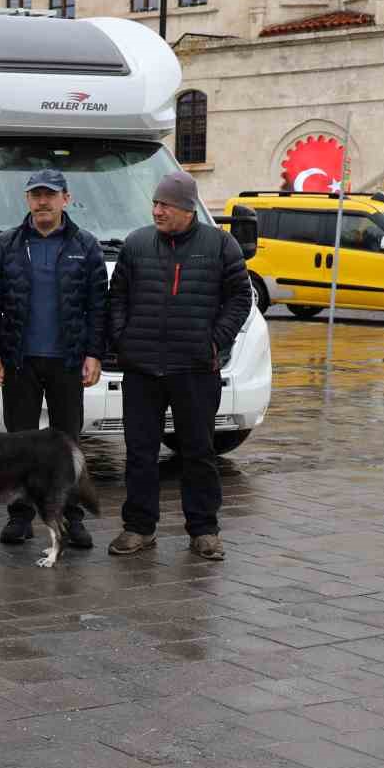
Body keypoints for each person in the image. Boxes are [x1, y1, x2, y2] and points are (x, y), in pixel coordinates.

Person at [106, 170, 252, 561]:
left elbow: (240, 298)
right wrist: (123, 339)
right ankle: (138, 527)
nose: (157, 211)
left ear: (188, 209)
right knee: (140, 452)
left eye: (165, 205)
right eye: (155, 203)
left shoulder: (220, 245)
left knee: (198, 451)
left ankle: (204, 530)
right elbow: (117, 297)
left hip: (195, 370)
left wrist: (214, 341)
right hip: (142, 370)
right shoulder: (136, 244)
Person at [0, 169, 107, 549]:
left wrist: (94, 353)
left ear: (66, 199)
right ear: (27, 200)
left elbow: (98, 306)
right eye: (35, 195)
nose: (42, 201)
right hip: (20, 360)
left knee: (68, 444)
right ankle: (19, 517)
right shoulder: (6, 246)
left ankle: (72, 518)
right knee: (17, 443)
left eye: (50, 195)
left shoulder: (86, 246)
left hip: (67, 361)